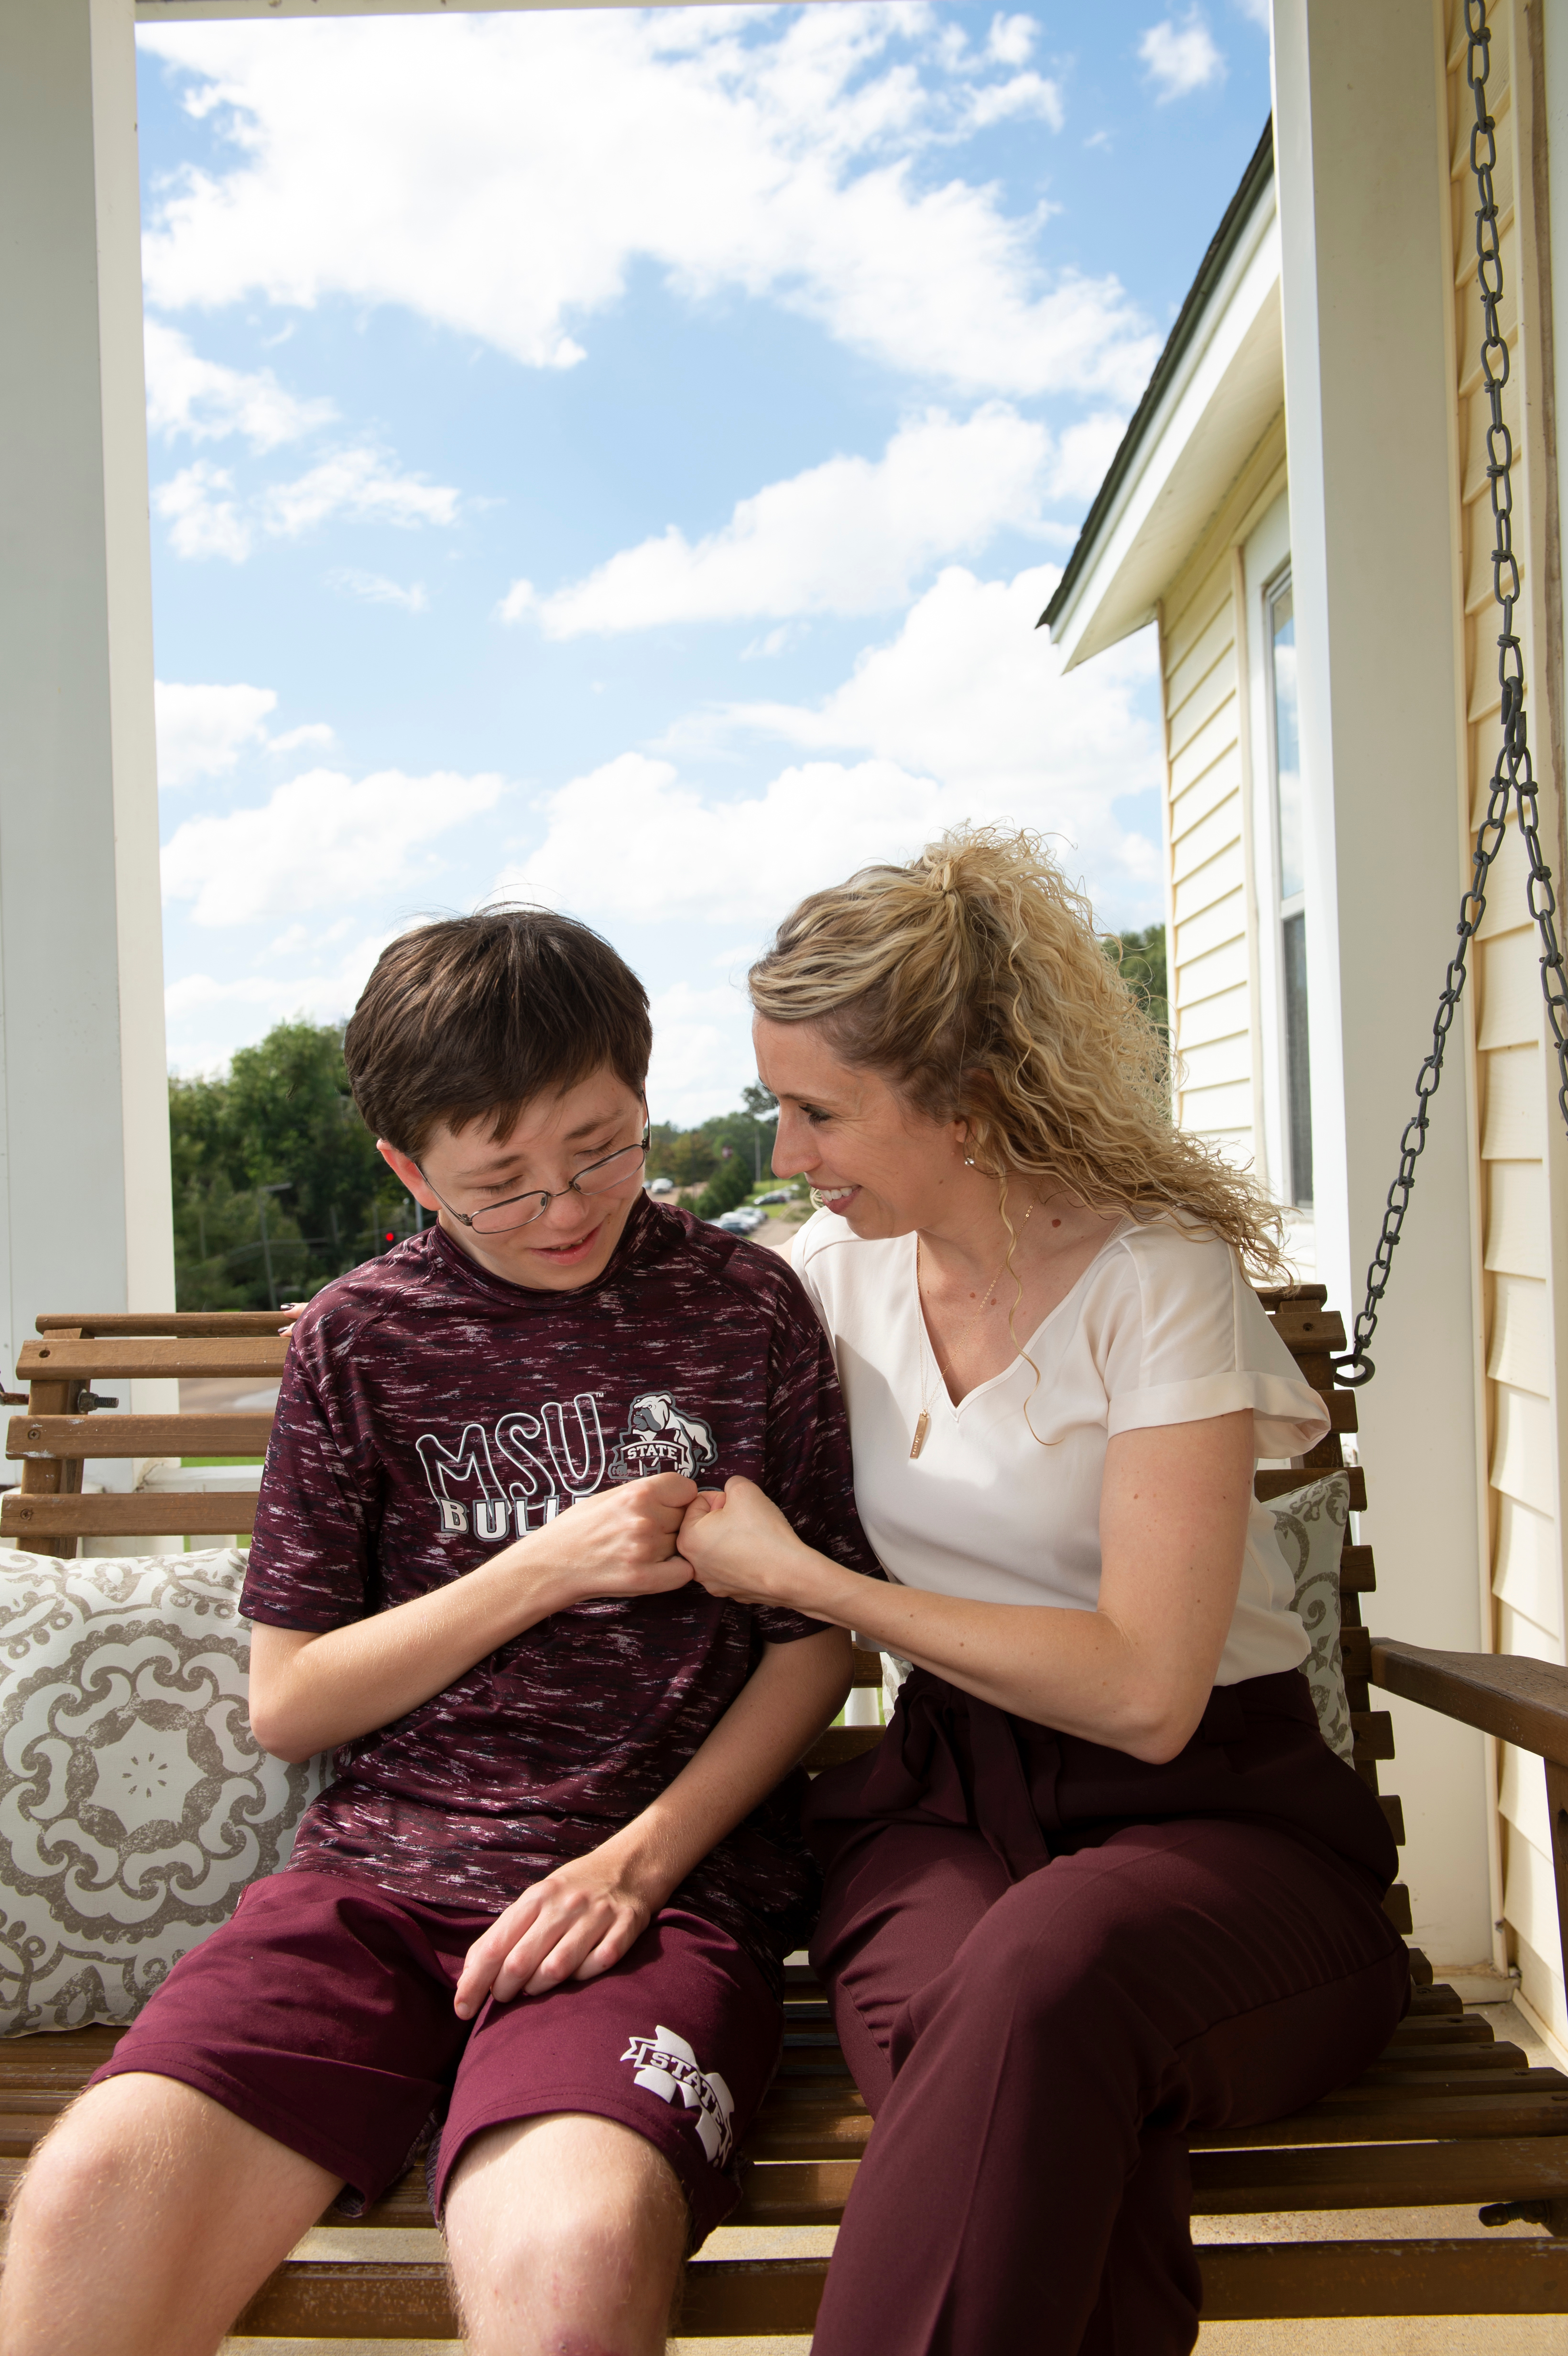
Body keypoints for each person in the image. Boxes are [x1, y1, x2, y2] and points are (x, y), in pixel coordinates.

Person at [0, 908, 871, 2356]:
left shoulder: (746, 1309)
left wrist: (635, 1862)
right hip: (376, 1891)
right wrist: (543, 1568)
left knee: (580, 2242)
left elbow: (811, 1645)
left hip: (655, 1895)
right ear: (409, 1170)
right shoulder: (356, 1343)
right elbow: (292, 1704)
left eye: (605, 1148)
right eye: (499, 1184)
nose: (565, 1208)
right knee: (94, 2186)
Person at [675, 827, 1410, 2356]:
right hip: (944, 1808)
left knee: (1038, 1985)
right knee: (1029, 2088)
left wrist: (818, 1583)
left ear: (971, 1097)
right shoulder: (830, 1274)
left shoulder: (1159, 1284)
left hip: (1221, 1821)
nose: (787, 1156)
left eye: (820, 1112)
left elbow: (1149, 1695)